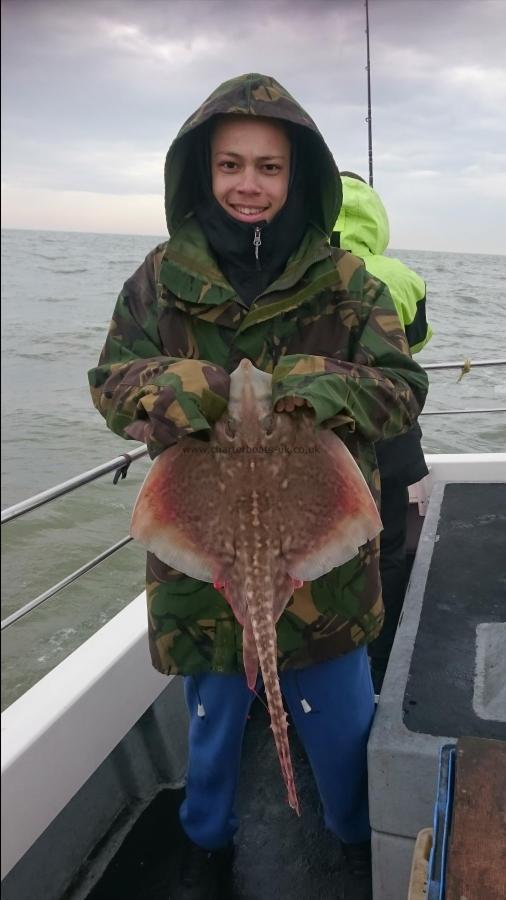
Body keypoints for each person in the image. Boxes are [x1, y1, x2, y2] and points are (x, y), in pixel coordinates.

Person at [88, 73, 428, 900]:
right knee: (211, 723)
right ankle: (206, 847)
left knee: (340, 721)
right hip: (202, 566)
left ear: (298, 176)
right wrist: (189, 391)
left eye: (269, 168)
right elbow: (112, 384)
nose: (249, 184)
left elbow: (400, 389)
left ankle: (353, 839)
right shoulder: (160, 277)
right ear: (201, 171)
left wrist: (312, 384)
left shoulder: (348, 282)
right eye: (231, 165)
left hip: (324, 570)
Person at [333, 173, 432, 693]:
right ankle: (380, 656)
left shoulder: (311, 271)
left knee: (331, 557)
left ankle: (332, 663)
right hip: (391, 436)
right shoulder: (404, 277)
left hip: (331, 444)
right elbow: (416, 345)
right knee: (388, 546)